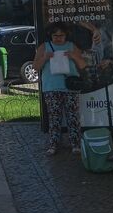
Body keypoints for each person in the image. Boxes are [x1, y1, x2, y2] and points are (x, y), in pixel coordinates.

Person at [33, 22, 88, 156]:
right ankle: (53, 145)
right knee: (54, 118)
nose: (58, 38)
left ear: (66, 35)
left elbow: (82, 65)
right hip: (51, 87)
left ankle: (75, 144)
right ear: (50, 36)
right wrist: (45, 57)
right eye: (55, 35)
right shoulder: (44, 47)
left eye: (61, 35)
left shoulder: (71, 46)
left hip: (70, 87)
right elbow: (35, 66)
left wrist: (74, 56)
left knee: (73, 117)